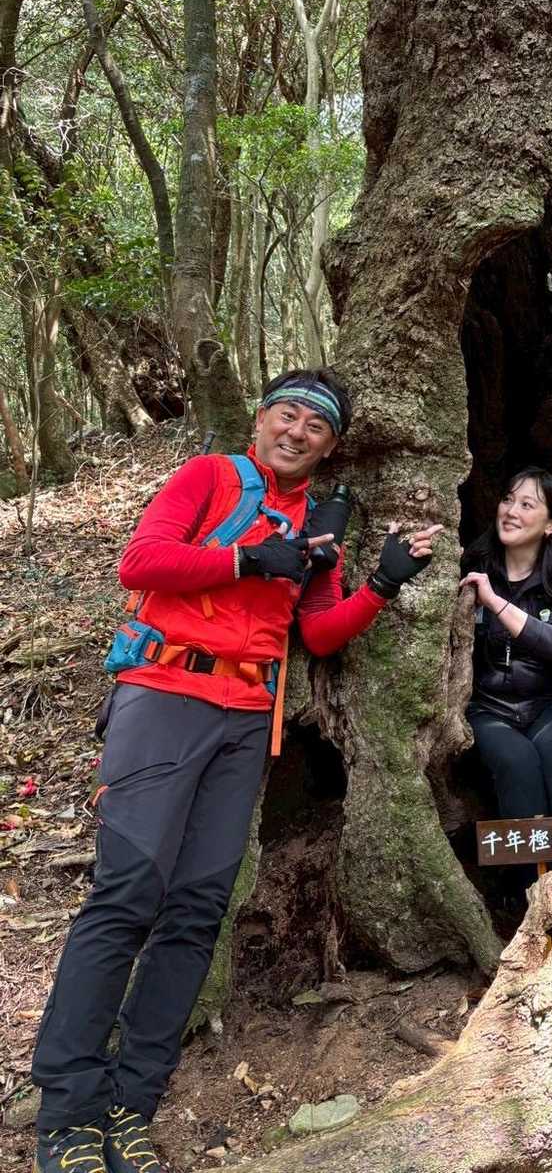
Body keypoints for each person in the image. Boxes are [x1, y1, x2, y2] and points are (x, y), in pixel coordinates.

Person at [31, 368, 443, 1173]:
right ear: (260, 420)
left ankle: (130, 1106)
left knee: (196, 907)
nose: (296, 431)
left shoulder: (318, 522)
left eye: (315, 426)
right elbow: (141, 561)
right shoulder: (210, 477)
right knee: (127, 891)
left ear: (329, 446)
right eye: (286, 414)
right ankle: (68, 1113)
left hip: (247, 717)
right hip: (163, 692)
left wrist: (383, 583)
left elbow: (318, 632)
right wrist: (248, 557)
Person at [460, 467, 552, 820]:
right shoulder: (473, 567)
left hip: (545, 705)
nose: (511, 511)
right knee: (517, 762)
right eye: (508, 500)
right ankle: (527, 860)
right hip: (486, 707)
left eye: (526, 505)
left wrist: (494, 603)